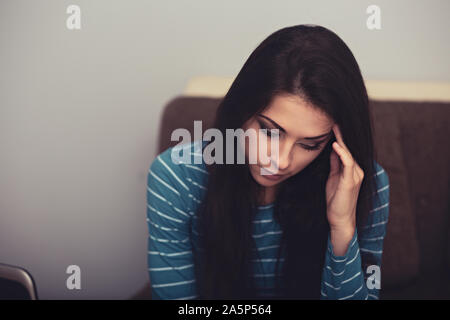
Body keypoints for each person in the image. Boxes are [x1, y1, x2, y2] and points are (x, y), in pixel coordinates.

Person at [146, 24, 389, 300]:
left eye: (310, 145)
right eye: (270, 132)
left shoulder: (363, 184)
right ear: (242, 111)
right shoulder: (176, 176)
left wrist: (343, 226)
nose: (281, 161)